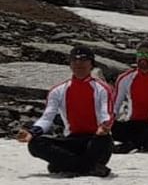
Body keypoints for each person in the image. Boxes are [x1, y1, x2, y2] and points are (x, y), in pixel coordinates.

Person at [16, 46, 115, 177]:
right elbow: (47, 118)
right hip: (72, 140)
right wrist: (32, 133)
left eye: (83, 60)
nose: (79, 64)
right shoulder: (58, 90)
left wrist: (104, 126)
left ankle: (69, 165)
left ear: (91, 64)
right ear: (70, 64)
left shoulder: (102, 88)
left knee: (100, 141)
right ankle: (89, 167)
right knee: (35, 144)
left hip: (97, 140)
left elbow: (106, 113)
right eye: (75, 60)